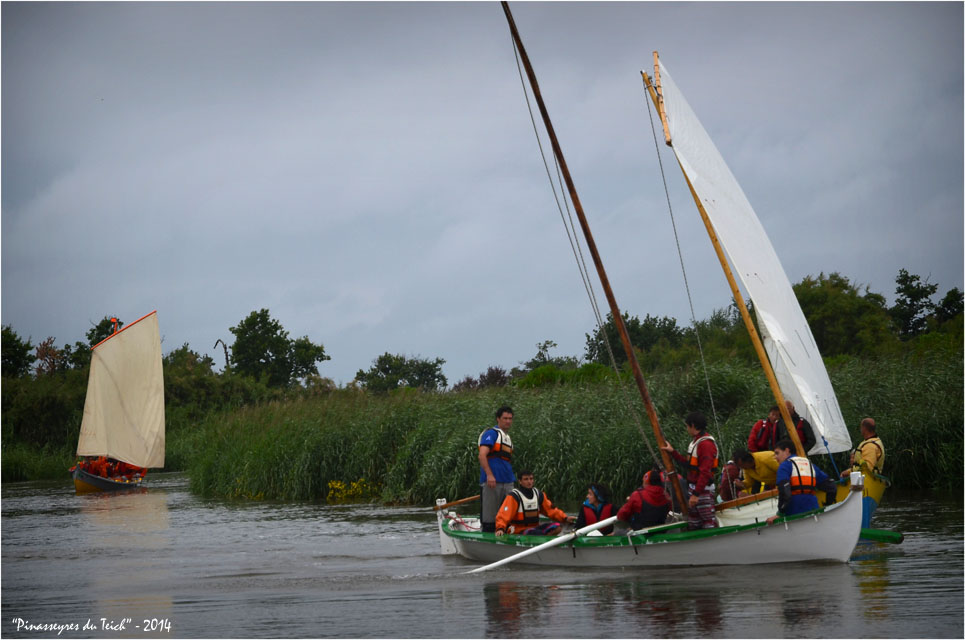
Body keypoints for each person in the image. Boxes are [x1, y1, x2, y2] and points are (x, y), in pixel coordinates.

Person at [660, 411, 718, 530]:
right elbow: (689, 465)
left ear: (692, 425)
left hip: (702, 491)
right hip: (694, 489)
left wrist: (696, 494)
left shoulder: (706, 444)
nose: (686, 428)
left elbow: (705, 472)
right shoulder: (696, 442)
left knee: (708, 522)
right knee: (694, 523)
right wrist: (673, 452)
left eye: (687, 426)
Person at [766, 439, 833, 524]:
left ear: (787, 450)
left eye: (777, 453)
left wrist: (780, 513)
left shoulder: (784, 466)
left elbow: (784, 491)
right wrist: (827, 506)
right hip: (813, 508)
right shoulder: (810, 464)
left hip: (794, 511)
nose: (775, 457)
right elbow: (831, 487)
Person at [494, 470, 575, 536]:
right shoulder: (514, 496)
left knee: (558, 527)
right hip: (518, 530)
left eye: (531, 479)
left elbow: (551, 510)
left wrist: (565, 518)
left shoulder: (538, 494)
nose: (529, 482)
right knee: (536, 533)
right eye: (526, 479)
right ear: (520, 481)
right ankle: (542, 541)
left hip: (534, 528)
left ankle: (543, 543)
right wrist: (500, 528)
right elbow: (503, 515)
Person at [478, 406, 516, 533]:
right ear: (498, 419)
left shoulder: (507, 438)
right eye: (505, 418)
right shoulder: (491, 434)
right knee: (490, 518)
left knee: (509, 515)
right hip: (492, 482)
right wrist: (489, 475)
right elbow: (482, 455)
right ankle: (487, 538)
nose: (508, 421)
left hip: (508, 481)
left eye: (510, 419)